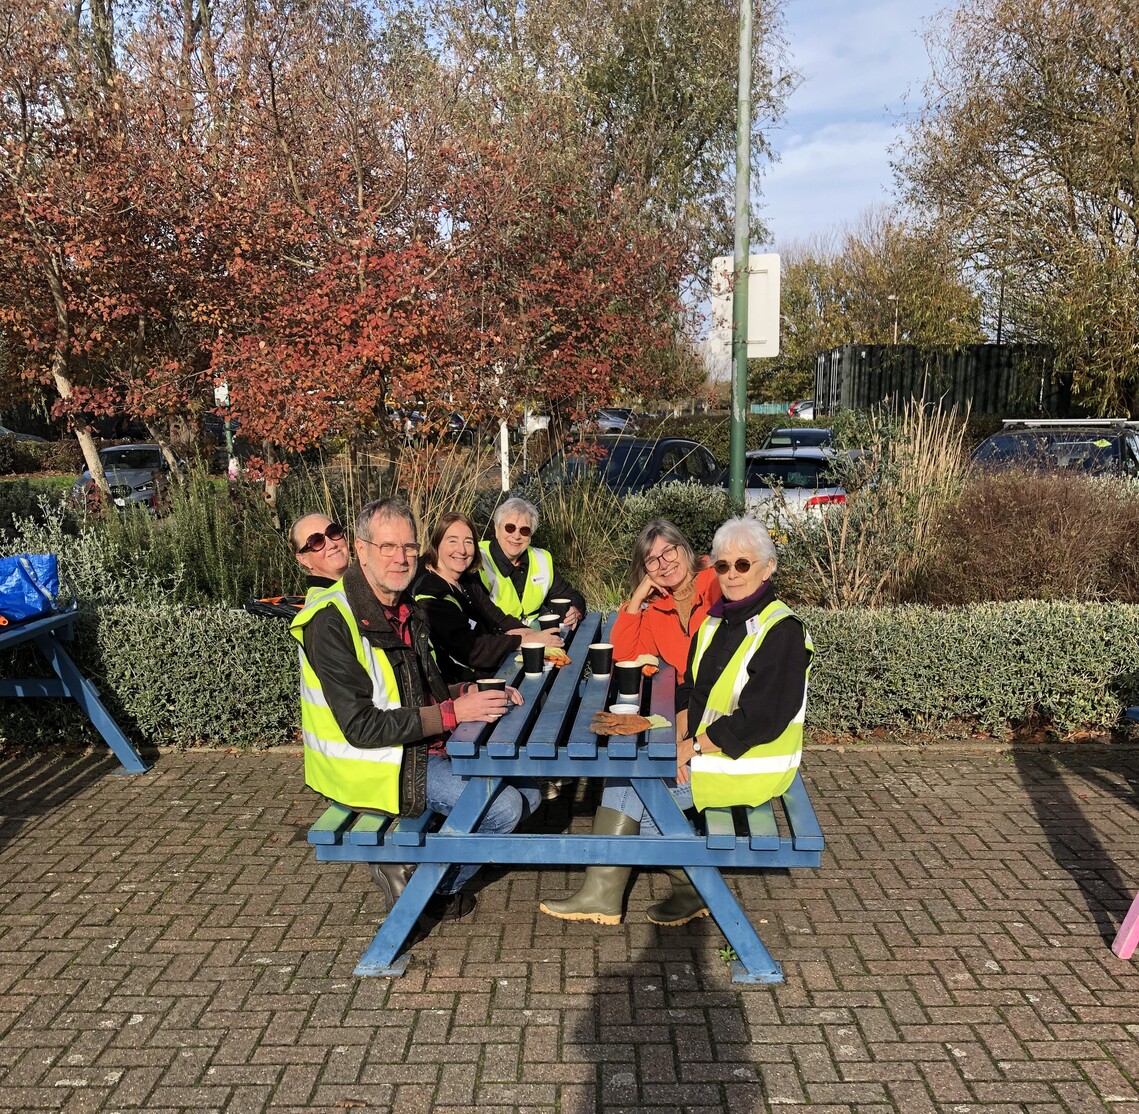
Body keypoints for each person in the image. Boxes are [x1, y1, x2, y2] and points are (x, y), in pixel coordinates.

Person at [541, 516, 812, 927]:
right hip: (714, 748)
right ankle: (674, 888)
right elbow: (693, 689)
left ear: (767, 567)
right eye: (723, 566)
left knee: (633, 785)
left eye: (743, 565)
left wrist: (692, 747)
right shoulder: (725, 618)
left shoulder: (779, 630)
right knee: (630, 778)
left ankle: (633, 891)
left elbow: (760, 718)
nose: (731, 575)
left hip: (750, 762)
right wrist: (682, 743)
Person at [290, 497, 541, 921]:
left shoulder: (406, 606)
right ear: (363, 550)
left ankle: (427, 867)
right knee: (504, 808)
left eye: (408, 547)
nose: (401, 558)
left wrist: (469, 689)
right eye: (387, 547)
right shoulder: (330, 620)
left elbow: (418, 688)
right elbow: (361, 727)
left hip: (414, 747)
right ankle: (427, 885)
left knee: (530, 786)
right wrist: (455, 713)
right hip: (372, 765)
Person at [539, 519, 721, 925]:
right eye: (650, 560)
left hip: (713, 736)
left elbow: (714, 683)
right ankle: (683, 888)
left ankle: (612, 893)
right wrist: (638, 598)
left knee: (634, 788)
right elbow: (623, 653)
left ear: (684, 549)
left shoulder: (715, 587)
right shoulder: (657, 606)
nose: (662, 564)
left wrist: (683, 743)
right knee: (630, 780)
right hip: (683, 722)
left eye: (668, 551)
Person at [412, 512, 562, 685]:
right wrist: (520, 641)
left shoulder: (465, 579)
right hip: (458, 686)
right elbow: (472, 650)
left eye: (468, 542)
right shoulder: (430, 594)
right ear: (436, 543)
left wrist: (530, 633)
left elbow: (495, 617)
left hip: (486, 670)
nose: (461, 550)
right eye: (452, 540)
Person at [479, 497, 586, 629]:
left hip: (537, 640)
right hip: (494, 639)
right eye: (510, 528)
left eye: (524, 530)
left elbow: (570, 594)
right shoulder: (477, 558)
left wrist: (574, 610)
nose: (516, 536)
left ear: (531, 535)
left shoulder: (542, 559)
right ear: (496, 529)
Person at [291, 513, 351, 600]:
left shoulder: (358, 588)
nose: (332, 544)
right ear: (303, 559)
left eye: (333, 532)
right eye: (316, 541)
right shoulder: (324, 607)